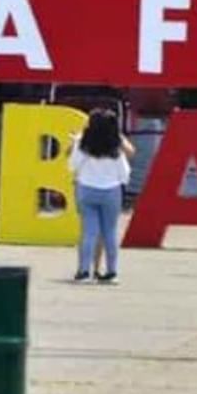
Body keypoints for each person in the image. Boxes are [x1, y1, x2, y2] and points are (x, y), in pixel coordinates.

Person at [69, 108, 135, 283]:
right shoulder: (115, 146)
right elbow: (124, 171)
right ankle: (111, 272)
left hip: (86, 189)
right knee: (109, 232)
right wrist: (121, 181)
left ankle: (83, 271)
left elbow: (73, 165)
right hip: (111, 191)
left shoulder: (82, 142)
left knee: (89, 232)